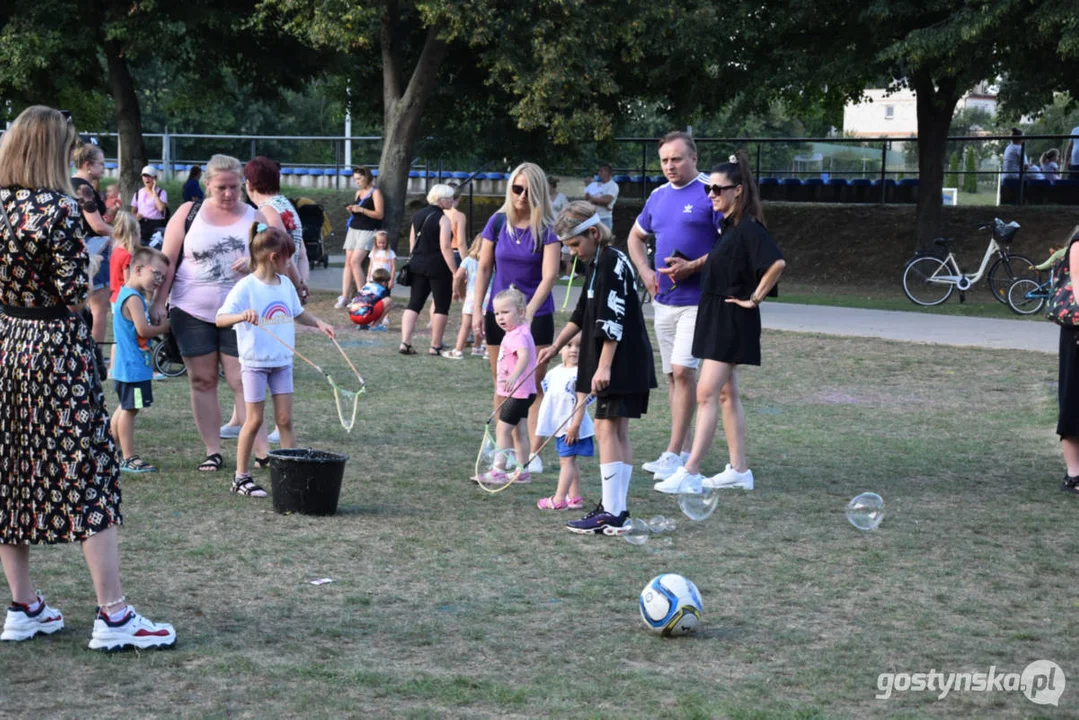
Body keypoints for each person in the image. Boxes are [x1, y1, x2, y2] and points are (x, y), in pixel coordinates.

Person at [0, 105, 175, 650]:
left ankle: (24, 605)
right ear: (53, 149)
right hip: (55, 347)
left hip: (7, 343)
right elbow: (75, 288)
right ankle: (114, 615)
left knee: (10, 474)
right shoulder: (58, 208)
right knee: (89, 470)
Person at [653, 153, 786, 494]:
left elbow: (776, 263)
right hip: (716, 315)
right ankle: (740, 470)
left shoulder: (748, 228)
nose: (710, 194)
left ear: (737, 190)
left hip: (731, 318)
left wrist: (754, 298)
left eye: (717, 189)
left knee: (706, 392)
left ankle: (691, 470)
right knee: (727, 393)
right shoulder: (728, 226)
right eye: (709, 189)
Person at [539, 202, 657, 535]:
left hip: (619, 361)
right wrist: (555, 346)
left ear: (593, 233)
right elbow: (581, 314)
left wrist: (603, 367)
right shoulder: (596, 263)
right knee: (616, 431)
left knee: (608, 430)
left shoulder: (610, 262)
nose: (573, 253)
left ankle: (612, 510)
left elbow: (613, 320)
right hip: (619, 361)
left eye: (575, 245)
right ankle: (616, 511)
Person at [151, 153, 272, 473]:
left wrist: (254, 262)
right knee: (202, 380)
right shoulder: (188, 213)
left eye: (234, 187)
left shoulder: (255, 216)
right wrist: (156, 303)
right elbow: (168, 260)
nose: (229, 194)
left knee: (242, 380)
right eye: (221, 188)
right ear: (207, 185)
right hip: (191, 310)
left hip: (242, 312)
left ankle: (262, 451)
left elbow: (275, 260)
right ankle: (212, 451)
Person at [217, 224, 335, 497]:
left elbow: (297, 313)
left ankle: (290, 475)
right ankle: (240, 478)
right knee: (254, 420)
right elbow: (220, 318)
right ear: (274, 258)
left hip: (282, 362)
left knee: (284, 419)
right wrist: (241, 316)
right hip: (255, 363)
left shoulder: (285, 285)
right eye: (288, 258)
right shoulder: (245, 287)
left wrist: (319, 322)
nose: (290, 264)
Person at [626, 131, 715, 481]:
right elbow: (635, 236)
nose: (669, 166)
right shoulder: (658, 196)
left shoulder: (712, 190)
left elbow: (731, 245)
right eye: (664, 160)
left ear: (693, 158)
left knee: (683, 370)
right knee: (673, 377)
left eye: (676, 159)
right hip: (664, 301)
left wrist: (694, 266)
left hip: (699, 300)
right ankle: (680, 449)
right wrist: (644, 269)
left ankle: (674, 452)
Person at [472, 162, 561, 474]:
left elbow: (550, 276)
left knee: (532, 385)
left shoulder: (547, 228)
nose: (522, 195)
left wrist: (529, 313)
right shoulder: (497, 223)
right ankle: (503, 451)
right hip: (500, 314)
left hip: (535, 314)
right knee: (503, 381)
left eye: (528, 190)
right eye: (516, 188)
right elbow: (484, 267)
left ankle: (532, 452)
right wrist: (476, 310)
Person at [110, 247, 172, 474]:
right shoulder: (134, 299)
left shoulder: (129, 294)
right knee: (131, 409)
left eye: (163, 278)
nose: (159, 281)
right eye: (156, 274)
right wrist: (168, 326)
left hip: (130, 367)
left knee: (125, 407)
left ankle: (109, 448)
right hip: (133, 368)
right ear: (138, 269)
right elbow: (143, 330)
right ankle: (128, 457)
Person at [476, 289, 537, 485]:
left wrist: (514, 377)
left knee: (503, 429)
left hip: (519, 392)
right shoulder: (518, 330)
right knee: (518, 431)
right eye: (497, 313)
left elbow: (524, 356)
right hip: (523, 392)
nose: (500, 317)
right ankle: (522, 471)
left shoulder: (518, 334)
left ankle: (498, 470)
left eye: (505, 312)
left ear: (520, 312)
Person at [534, 335, 593, 511]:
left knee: (567, 462)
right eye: (568, 345)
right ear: (559, 349)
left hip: (571, 428)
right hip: (559, 426)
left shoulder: (580, 375)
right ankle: (574, 497)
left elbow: (581, 403)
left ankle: (559, 499)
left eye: (579, 346)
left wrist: (574, 426)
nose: (574, 349)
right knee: (568, 461)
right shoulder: (555, 372)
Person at [399, 184, 457, 356]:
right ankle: (435, 345)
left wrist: (416, 256)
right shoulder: (443, 219)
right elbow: (446, 247)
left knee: (414, 304)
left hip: (417, 263)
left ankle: (405, 342)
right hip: (438, 266)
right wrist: (454, 270)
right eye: (449, 198)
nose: (452, 201)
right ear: (440, 200)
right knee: (441, 305)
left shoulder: (418, 215)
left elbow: (412, 241)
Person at [71, 142, 113, 350]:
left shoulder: (68, 183)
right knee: (99, 307)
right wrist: (120, 235)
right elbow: (96, 225)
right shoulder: (83, 188)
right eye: (101, 164)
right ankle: (94, 354)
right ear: (88, 164)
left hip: (76, 247)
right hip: (93, 249)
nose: (104, 168)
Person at [337, 167, 383, 308]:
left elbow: (379, 214)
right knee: (348, 262)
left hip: (368, 230)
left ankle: (362, 296)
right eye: (355, 179)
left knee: (355, 262)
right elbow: (357, 212)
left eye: (359, 179)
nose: (357, 182)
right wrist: (353, 210)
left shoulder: (375, 193)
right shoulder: (358, 193)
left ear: (367, 177)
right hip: (354, 229)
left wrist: (361, 209)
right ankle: (344, 296)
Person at [448, 235, 487, 358]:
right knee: (484, 324)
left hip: (471, 295)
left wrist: (455, 291)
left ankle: (458, 350)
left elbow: (458, 276)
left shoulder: (468, 260)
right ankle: (479, 347)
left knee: (466, 325)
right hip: (488, 296)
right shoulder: (491, 260)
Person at [108, 211, 140, 305]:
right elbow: (128, 282)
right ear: (133, 235)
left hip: (115, 296)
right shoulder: (127, 256)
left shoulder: (116, 251)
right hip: (124, 298)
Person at [131, 165, 169, 242]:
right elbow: (133, 211)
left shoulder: (162, 193)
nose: (146, 178)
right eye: (144, 176)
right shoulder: (138, 193)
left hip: (156, 225)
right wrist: (136, 216)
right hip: (141, 224)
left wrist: (154, 192)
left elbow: (161, 208)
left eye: (149, 176)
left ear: (154, 178)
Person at [584, 163, 618, 229]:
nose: (599, 173)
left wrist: (593, 199)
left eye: (601, 171)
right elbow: (586, 197)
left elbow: (606, 201)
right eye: (599, 171)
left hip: (605, 218)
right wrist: (601, 201)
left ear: (608, 172)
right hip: (593, 218)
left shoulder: (613, 186)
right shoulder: (597, 184)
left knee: (605, 239)